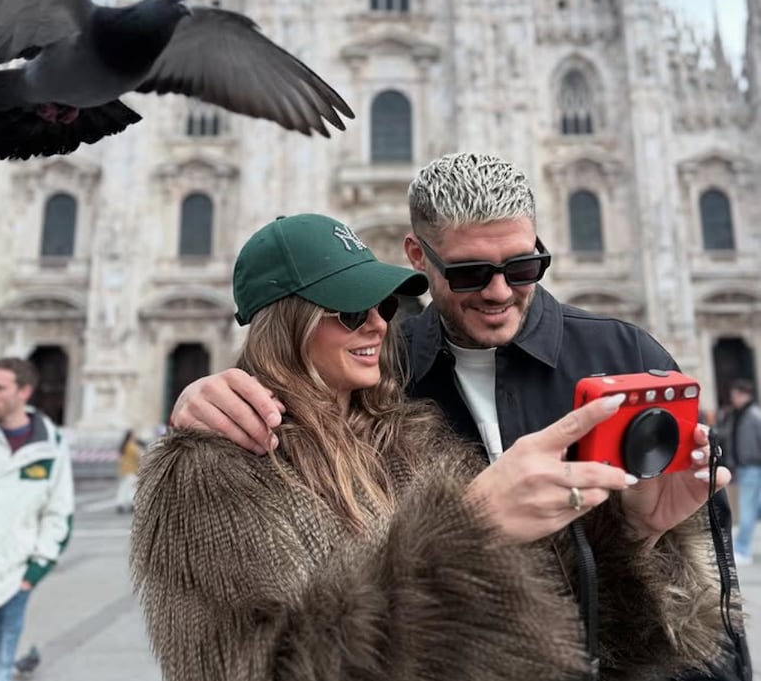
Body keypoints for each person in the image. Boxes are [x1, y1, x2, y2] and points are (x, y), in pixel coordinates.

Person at [171, 153, 751, 680]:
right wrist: (206, 397)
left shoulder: (625, 357)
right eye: (470, 273)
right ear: (420, 257)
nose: (499, 292)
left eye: (523, 267)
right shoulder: (391, 384)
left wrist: (637, 536)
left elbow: (696, 601)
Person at [0, 357, 74, 681]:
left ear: (24, 392)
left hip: (14, 579)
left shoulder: (51, 445)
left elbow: (59, 512)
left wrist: (34, 571)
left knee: (1, 666)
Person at [719, 380, 761, 565]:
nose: (733, 399)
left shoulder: (753, 416)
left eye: (736, 395)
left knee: (747, 509)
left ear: (745, 395)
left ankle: (742, 549)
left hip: (752, 467)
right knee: (752, 507)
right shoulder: (738, 415)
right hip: (745, 467)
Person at [115, 429, 142, 514]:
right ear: (131, 436)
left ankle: (120, 503)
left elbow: (120, 459)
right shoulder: (132, 446)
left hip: (124, 470)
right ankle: (132, 504)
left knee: (123, 488)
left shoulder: (124, 446)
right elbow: (140, 455)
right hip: (131, 470)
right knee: (132, 488)